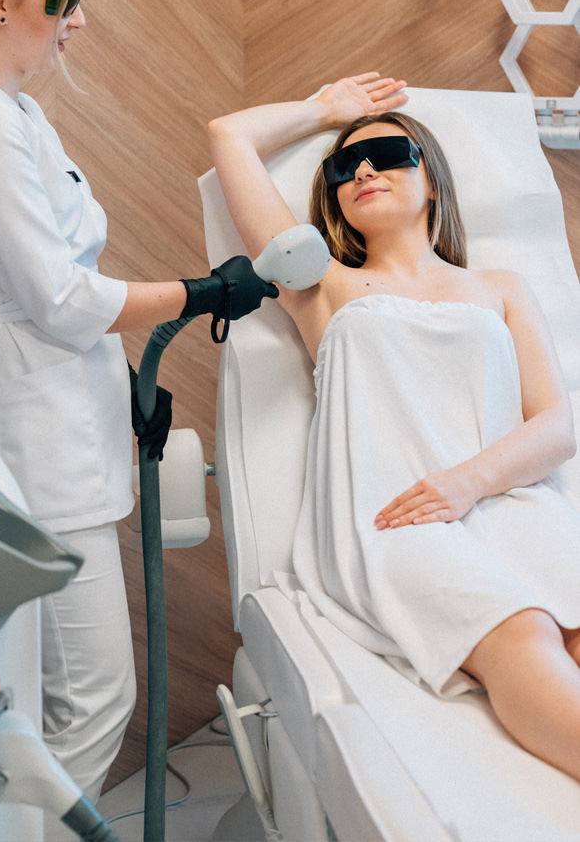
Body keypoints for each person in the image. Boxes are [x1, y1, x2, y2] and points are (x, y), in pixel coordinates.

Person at [0, 0, 276, 823]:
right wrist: (201, 293)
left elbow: (64, 286)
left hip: (59, 409)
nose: (79, 18)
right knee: (95, 694)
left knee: (49, 697)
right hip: (28, 432)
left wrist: (125, 391)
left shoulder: (17, 113)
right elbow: (62, 300)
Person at [208, 72, 580, 784]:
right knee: (523, 630)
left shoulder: (500, 287)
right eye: (345, 166)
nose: (363, 171)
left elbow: (556, 428)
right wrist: (328, 109)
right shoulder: (321, 285)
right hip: (397, 520)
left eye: (385, 156)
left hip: (512, 501)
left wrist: (467, 483)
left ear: (432, 181)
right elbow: (229, 135)